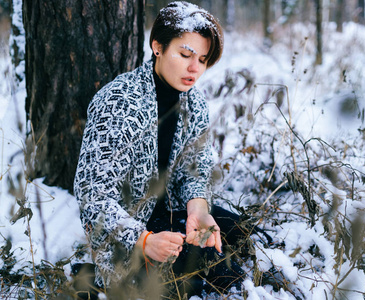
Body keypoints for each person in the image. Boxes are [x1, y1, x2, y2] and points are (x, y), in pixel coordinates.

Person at [73, 1, 262, 299]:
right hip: (131, 224)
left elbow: (196, 167)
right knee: (181, 284)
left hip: (171, 209)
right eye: (185, 55)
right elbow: (92, 195)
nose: (194, 69)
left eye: (202, 59)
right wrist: (144, 239)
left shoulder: (194, 102)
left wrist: (198, 207)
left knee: (238, 236)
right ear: (157, 46)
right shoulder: (119, 103)